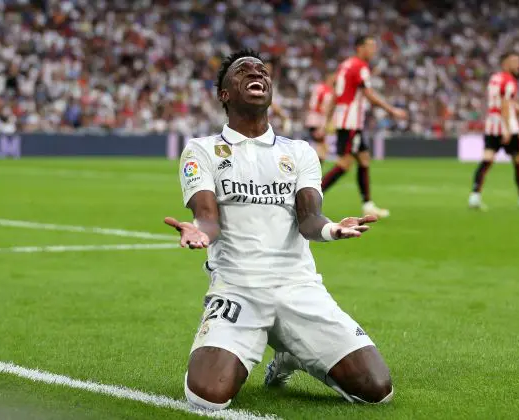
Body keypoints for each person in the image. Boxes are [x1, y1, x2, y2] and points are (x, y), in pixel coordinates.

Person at [164, 49, 394, 411]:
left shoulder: (300, 152)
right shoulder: (202, 151)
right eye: (243, 71)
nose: (256, 73)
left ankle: (292, 352)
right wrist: (199, 233)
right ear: (224, 94)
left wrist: (333, 229)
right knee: (205, 396)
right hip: (239, 289)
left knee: (377, 389)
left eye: (262, 71)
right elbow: (207, 217)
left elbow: (309, 220)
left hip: (297, 287)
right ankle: (278, 343)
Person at [320, 36, 408, 219]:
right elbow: (368, 94)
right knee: (345, 164)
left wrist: (327, 119)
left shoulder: (345, 65)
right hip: (351, 122)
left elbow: (337, 95)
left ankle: (368, 205)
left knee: (364, 159)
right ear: (360, 48)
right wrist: (392, 110)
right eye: (370, 46)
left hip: (346, 120)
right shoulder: (360, 66)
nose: (374, 49)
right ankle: (309, 198)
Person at [469, 52, 519, 210]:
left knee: (487, 159)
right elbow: (505, 105)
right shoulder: (509, 81)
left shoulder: (494, 79)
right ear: (505, 63)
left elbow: (507, 104)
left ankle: (474, 196)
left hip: (491, 124)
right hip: (506, 125)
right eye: (515, 61)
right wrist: (508, 130)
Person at [305, 73, 336, 163]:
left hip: (320, 120)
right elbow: (314, 104)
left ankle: (315, 170)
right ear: (329, 78)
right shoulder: (322, 89)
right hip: (317, 120)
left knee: (322, 147)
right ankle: (314, 170)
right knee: (322, 147)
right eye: (333, 78)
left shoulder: (329, 90)